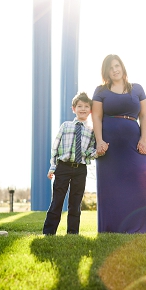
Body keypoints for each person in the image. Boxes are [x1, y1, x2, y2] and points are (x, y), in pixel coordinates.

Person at [92, 55, 146, 234]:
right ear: (106, 72)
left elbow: (144, 115)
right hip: (109, 145)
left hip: (133, 142)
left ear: (122, 67)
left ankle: (143, 228)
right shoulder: (100, 90)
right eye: (110, 68)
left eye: (117, 66)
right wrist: (99, 141)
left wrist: (144, 139)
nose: (115, 70)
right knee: (111, 186)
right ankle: (112, 228)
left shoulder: (137, 88)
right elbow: (96, 116)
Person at [42, 92, 105, 235]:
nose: (82, 109)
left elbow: (89, 151)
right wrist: (53, 167)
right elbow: (55, 147)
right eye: (79, 106)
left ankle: (72, 233)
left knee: (75, 203)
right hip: (63, 167)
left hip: (80, 170)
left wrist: (98, 152)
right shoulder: (66, 126)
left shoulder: (91, 131)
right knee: (57, 201)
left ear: (90, 110)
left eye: (86, 106)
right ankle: (49, 232)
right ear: (73, 108)